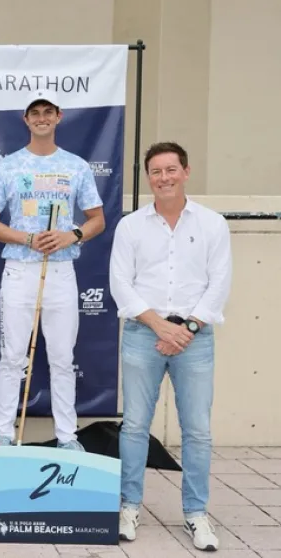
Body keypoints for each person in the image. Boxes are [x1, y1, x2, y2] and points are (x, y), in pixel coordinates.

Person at [110, 141, 232, 551]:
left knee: (197, 431)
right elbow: (120, 283)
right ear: (148, 178)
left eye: (170, 169)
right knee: (134, 426)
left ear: (186, 171)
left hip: (194, 339)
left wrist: (187, 329)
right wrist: (160, 326)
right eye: (156, 172)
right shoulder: (130, 226)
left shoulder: (212, 223)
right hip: (143, 334)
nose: (164, 178)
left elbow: (219, 283)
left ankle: (196, 514)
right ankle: (129, 507)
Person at [0, 89, 105, 451]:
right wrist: (26, 239)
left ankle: (67, 437)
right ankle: (3, 435)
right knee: (12, 357)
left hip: (61, 271)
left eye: (48, 111)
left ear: (58, 117)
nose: (42, 118)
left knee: (63, 359)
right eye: (35, 112)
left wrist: (72, 235)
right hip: (20, 270)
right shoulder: (8, 166)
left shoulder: (76, 166)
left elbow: (97, 219)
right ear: (26, 119)